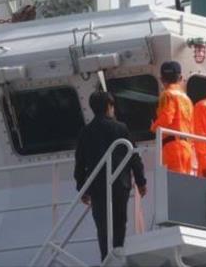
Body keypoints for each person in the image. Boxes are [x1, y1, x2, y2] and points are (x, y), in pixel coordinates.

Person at [74, 91, 147, 261]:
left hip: (97, 186)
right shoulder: (120, 128)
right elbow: (133, 156)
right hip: (120, 184)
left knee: (102, 225)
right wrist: (140, 181)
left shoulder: (86, 132)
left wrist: (82, 188)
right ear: (109, 106)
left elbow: (80, 162)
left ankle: (105, 260)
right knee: (119, 222)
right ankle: (119, 257)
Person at [150, 61, 196, 174]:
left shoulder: (167, 94)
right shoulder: (187, 99)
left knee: (174, 185)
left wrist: (153, 128)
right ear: (180, 78)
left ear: (161, 79)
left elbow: (166, 118)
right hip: (187, 148)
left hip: (173, 148)